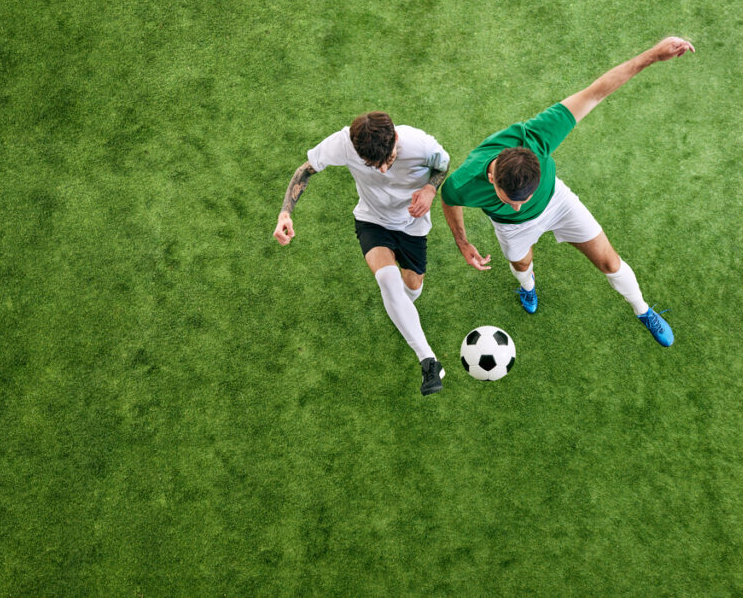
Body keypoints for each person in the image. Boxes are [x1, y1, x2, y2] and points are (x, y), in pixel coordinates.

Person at [440, 36, 695, 347]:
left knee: (610, 262)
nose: (519, 206)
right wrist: (462, 241)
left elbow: (596, 93)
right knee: (521, 263)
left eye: (524, 199)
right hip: (510, 228)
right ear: (493, 180)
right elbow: (448, 199)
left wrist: (654, 55)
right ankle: (527, 285)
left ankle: (643, 310)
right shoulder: (465, 181)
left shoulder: (537, 136)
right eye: (511, 200)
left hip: (558, 203)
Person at [274, 113, 450, 395]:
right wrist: (286, 213)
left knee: (412, 287)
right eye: (372, 165)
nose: (381, 171)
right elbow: (305, 170)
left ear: (395, 139)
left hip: (413, 225)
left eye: (388, 161)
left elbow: (444, 165)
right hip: (373, 221)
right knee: (388, 282)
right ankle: (429, 361)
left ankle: (403, 313)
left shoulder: (421, 145)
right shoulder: (343, 144)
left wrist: (431, 188)